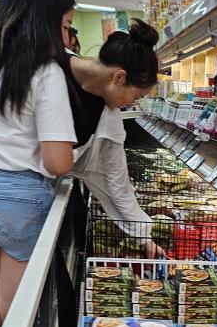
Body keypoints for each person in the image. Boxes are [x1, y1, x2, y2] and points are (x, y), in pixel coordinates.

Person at [0, 0, 77, 327]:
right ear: (43, 20)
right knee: (11, 309)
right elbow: (58, 162)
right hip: (20, 202)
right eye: (65, 26)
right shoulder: (45, 73)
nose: (66, 39)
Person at [61, 19, 161, 257]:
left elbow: (117, 183)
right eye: (136, 96)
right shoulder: (49, 65)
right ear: (119, 77)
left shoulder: (109, 116)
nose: (132, 104)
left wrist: (144, 237)